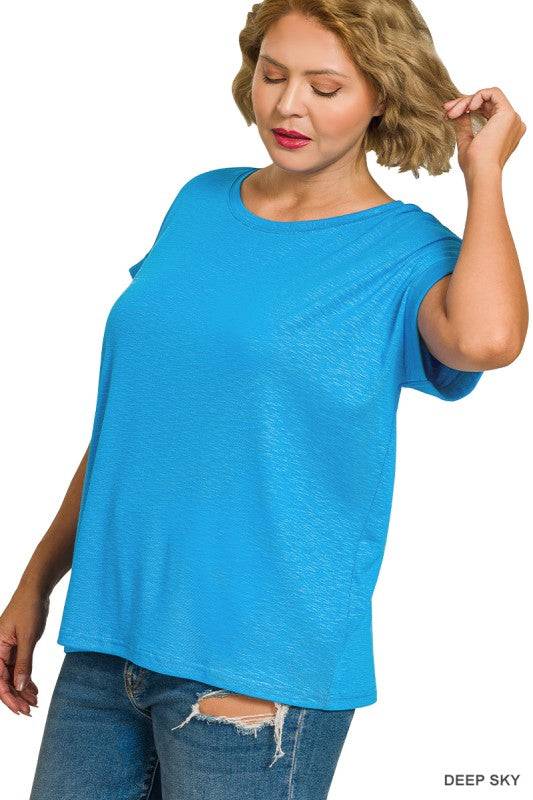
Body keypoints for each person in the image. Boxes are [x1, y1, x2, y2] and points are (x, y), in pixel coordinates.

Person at [2, 1, 528, 798]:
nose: (287, 106)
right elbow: (136, 425)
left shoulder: (403, 250)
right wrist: (37, 579)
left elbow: (487, 341)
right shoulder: (199, 201)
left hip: (256, 667)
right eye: (272, 75)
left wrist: (482, 174)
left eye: (325, 87)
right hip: (107, 646)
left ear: (381, 95)